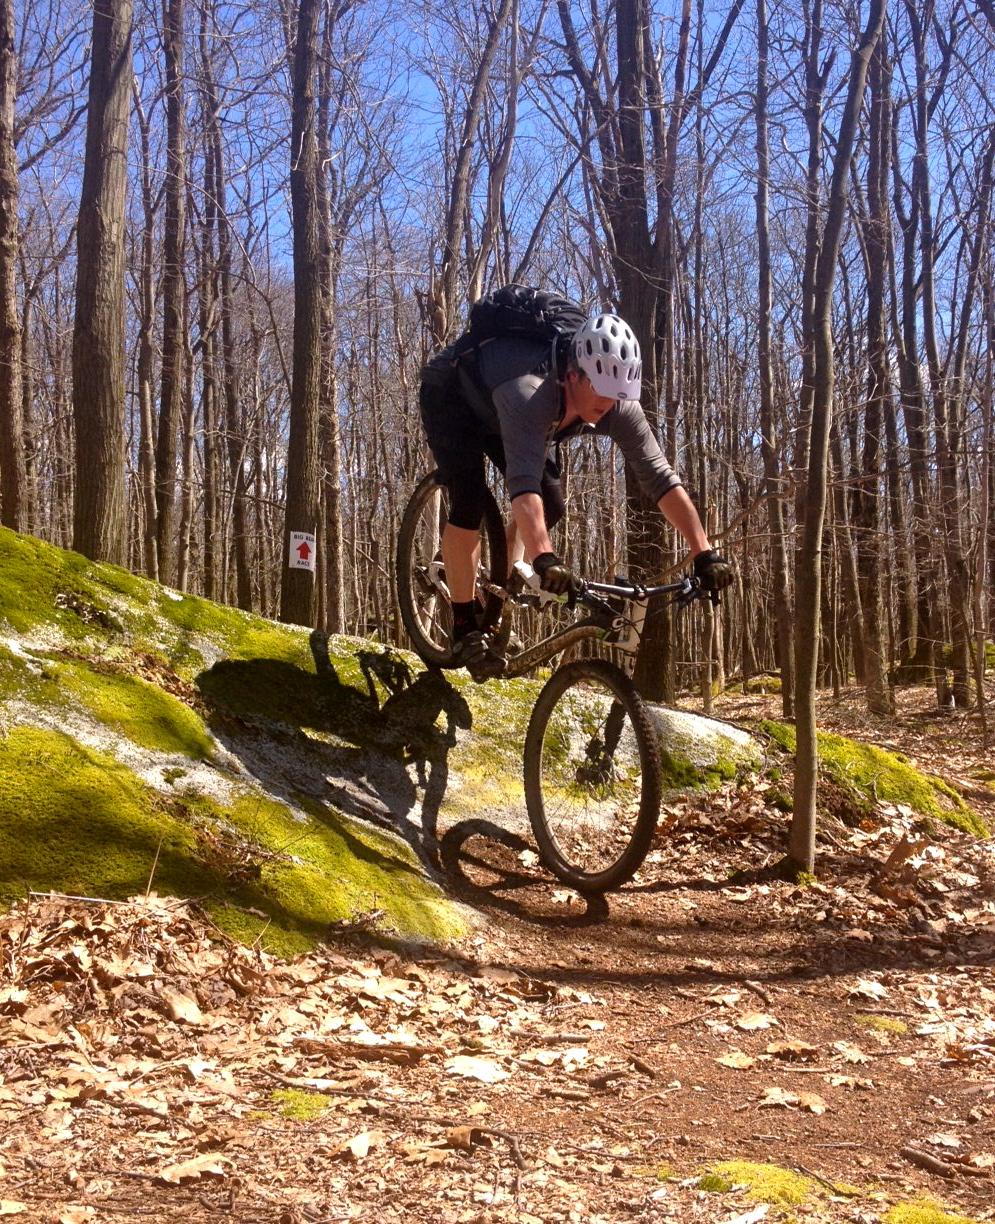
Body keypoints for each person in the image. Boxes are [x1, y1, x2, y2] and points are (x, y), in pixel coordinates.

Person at [418, 296, 733, 679]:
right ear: (573, 374)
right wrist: (545, 557)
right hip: (454, 395)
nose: (607, 402)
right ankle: (465, 622)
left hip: (508, 416)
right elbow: (522, 484)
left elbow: (661, 479)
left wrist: (704, 552)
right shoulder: (529, 392)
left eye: (617, 393)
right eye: (599, 388)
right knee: (469, 498)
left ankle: (498, 583)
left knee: (552, 505)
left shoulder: (616, 404)